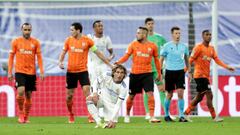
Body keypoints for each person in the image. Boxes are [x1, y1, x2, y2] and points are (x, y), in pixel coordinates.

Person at [58, 22, 113, 124]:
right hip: (71, 72)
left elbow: (98, 53)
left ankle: (91, 115)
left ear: (78, 30)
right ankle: (71, 114)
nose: (71, 32)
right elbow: (63, 52)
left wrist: (109, 65)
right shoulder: (68, 40)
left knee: (87, 92)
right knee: (69, 96)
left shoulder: (87, 41)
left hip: (83, 71)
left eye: (72, 30)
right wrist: (60, 62)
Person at [184, 29, 235, 122]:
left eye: (210, 34)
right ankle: (214, 116)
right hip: (199, 76)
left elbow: (217, 60)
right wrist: (184, 71)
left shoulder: (211, 49)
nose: (209, 36)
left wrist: (227, 67)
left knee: (199, 97)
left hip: (205, 76)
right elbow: (190, 60)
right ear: (203, 36)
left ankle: (185, 113)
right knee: (209, 94)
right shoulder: (198, 47)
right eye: (207, 34)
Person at [115, 26, 161, 123]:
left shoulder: (153, 46)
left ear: (144, 34)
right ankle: (127, 114)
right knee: (131, 96)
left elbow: (157, 61)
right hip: (135, 74)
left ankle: (152, 116)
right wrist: (118, 62)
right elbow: (126, 56)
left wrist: (159, 73)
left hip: (148, 74)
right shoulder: (133, 44)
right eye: (137, 33)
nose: (137, 34)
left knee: (150, 94)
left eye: (139, 33)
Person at [8, 23, 44, 123]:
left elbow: (39, 57)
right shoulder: (16, 42)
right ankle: (20, 113)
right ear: (22, 30)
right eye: (25, 30)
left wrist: (41, 71)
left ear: (31, 30)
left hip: (31, 73)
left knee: (28, 95)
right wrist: (10, 72)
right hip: (19, 71)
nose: (27, 32)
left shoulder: (35, 42)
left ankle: (26, 116)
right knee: (20, 91)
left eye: (29, 30)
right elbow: (11, 57)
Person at [160, 26, 190, 122]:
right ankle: (166, 115)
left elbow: (187, 59)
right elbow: (160, 59)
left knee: (181, 93)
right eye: (176, 33)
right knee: (169, 94)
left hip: (180, 72)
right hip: (169, 72)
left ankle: (181, 116)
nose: (178, 35)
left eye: (179, 33)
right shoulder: (166, 46)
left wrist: (189, 70)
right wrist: (160, 72)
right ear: (172, 34)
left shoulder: (184, 46)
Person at [86, 64, 128, 128]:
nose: (119, 75)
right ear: (114, 73)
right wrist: (94, 92)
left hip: (111, 105)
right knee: (89, 99)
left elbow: (118, 105)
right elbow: (96, 82)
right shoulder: (107, 74)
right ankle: (98, 121)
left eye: (122, 73)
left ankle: (108, 121)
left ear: (124, 75)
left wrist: (112, 119)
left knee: (110, 126)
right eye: (117, 72)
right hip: (101, 98)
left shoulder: (124, 88)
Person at [143, 17, 167, 120]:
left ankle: (167, 113)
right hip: (146, 69)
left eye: (152, 23)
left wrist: (164, 64)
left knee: (162, 90)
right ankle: (148, 113)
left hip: (157, 69)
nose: (150, 25)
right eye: (148, 24)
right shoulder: (142, 38)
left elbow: (166, 50)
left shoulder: (160, 38)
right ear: (145, 25)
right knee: (147, 91)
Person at [87, 20, 115, 90]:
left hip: (103, 64)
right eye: (99, 26)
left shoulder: (106, 38)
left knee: (103, 84)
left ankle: (103, 99)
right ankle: (93, 99)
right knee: (93, 83)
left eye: (102, 26)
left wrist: (110, 57)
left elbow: (112, 53)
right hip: (92, 64)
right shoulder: (90, 38)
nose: (101, 27)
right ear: (94, 28)